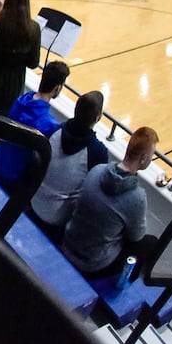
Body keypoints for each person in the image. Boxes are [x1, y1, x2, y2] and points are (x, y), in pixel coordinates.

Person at [63, 126, 162, 281]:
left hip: (68, 244)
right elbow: (136, 238)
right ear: (143, 159)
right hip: (94, 264)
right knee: (150, 244)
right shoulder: (137, 197)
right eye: (151, 155)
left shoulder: (97, 170)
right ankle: (125, 283)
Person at [29, 90, 110, 241]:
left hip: (34, 201)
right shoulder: (97, 152)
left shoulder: (55, 131)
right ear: (98, 118)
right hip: (59, 220)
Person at [0, 59, 71, 186]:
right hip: (17, 177)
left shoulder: (20, 101)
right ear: (57, 88)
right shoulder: (49, 124)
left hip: (1, 163)